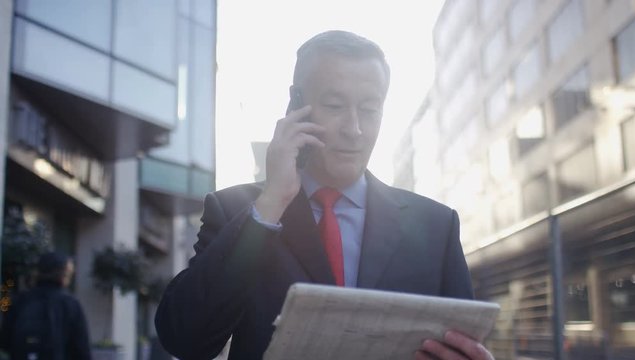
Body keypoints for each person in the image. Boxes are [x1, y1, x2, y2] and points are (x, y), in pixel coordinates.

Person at [155, 30, 494, 360]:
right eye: (334, 106)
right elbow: (185, 338)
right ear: (296, 106)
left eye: (369, 110)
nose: (354, 129)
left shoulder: (436, 227)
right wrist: (271, 203)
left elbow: (461, 343)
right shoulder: (235, 211)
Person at [0, 251, 92, 360]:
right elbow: (82, 350)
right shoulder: (71, 304)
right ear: (64, 274)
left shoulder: (20, 300)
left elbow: (5, 341)